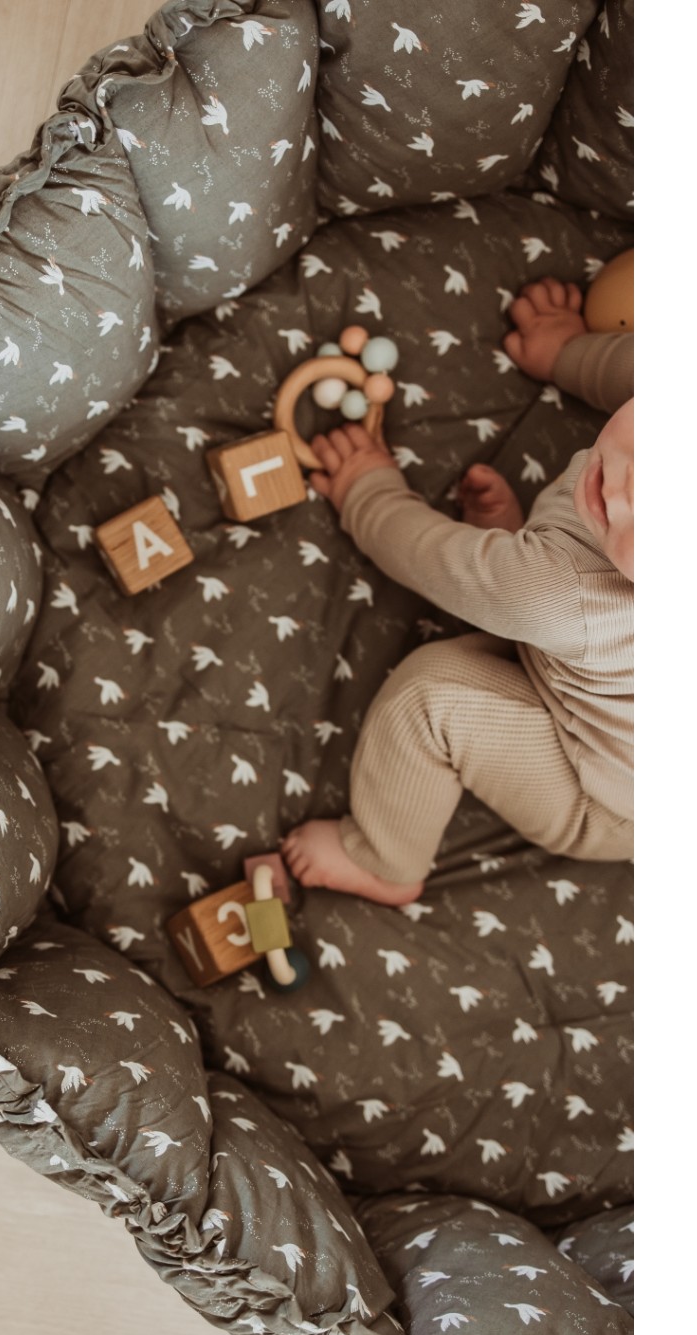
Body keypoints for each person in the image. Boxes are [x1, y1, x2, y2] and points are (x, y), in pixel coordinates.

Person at [281, 277, 633, 904]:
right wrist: (569, 354)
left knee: (432, 697)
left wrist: (367, 490)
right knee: (534, 601)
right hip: (574, 636)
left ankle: (386, 861)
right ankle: (516, 574)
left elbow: (432, 558)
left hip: (597, 796)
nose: (628, 486)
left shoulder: (567, 593)